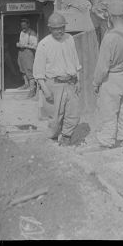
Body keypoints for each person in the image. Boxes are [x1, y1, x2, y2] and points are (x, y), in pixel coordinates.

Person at [92, 0, 123, 149]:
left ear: (110, 16)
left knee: (109, 111)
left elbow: (103, 66)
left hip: (112, 78)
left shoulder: (109, 37)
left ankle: (106, 142)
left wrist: (96, 82)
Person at [33, 12, 82, 146]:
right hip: (54, 85)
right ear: (50, 29)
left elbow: (76, 62)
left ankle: (66, 139)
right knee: (55, 118)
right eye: (56, 28)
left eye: (62, 27)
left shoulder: (69, 39)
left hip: (71, 83)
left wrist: (78, 80)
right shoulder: (44, 45)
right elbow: (38, 73)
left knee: (73, 114)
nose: (59, 30)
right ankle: (52, 143)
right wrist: (45, 90)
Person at [16, 17, 38, 97]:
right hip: (21, 52)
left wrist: (24, 45)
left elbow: (35, 46)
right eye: (22, 26)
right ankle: (26, 84)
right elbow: (21, 42)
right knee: (22, 69)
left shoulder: (32, 33)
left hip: (29, 53)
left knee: (29, 70)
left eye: (25, 25)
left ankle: (32, 89)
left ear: (28, 25)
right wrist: (18, 44)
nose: (23, 27)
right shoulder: (22, 32)